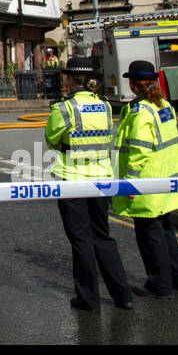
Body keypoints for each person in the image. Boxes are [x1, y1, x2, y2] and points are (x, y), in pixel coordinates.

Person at [45, 59, 134, 311]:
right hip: (101, 178)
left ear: (70, 79)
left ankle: (88, 299)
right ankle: (123, 295)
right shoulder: (104, 105)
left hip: (73, 180)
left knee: (81, 240)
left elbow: (51, 140)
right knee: (102, 235)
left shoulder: (64, 108)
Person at [112, 59, 178, 297]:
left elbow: (139, 149)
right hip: (168, 179)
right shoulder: (164, 105)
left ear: (134, 84)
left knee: (149, 233)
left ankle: (160, 284)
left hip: (147, 181)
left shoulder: (140, 111)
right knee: (165, 229)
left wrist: (131, 182)